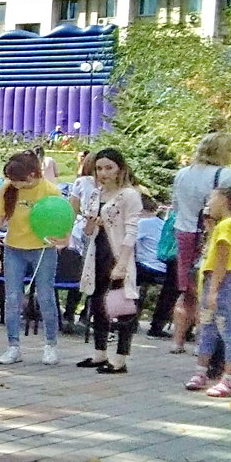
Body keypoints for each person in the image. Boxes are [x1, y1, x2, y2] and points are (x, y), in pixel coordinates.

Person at [0, 150, 67, 366]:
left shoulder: (50, 191)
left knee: (46, 296)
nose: (15, 184)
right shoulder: (8, 189)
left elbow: (61, 220)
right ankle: (13, 346)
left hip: (42, 249)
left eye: (19, 180)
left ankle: (50, 345)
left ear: (31, 175)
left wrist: (61, 238)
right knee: (11, 299)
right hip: (14, 249)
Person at [169, 132, 231, 355]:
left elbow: (174, 205)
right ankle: (203, 343)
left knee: (186, 290)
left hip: (183, 232)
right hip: (211, 234)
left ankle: (177, 341)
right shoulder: (225, 175)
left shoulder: (182, 174)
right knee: (209, 288)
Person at [75, 149, 142, 374]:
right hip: (97, 253)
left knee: (121, 305)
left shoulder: (129, 195)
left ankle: (120, 358)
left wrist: (122, 263)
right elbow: (88, 230)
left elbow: (131, 230)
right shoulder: (96, 193)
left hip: (117, 253)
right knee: (98, 302)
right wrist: (91, 224)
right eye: (99, 168)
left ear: (119, 169)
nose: (103, 173)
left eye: (108, 168)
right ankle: (99, 352)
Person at [184, 186, 231, 397]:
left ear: (224, 200)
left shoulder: (227, 226)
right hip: (228, 279)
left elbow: (222, 259)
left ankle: (228, 378)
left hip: (221, 280)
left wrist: (212, 291)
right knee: (208, 326)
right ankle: (201, 372)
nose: (209, 203)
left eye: (212, 198)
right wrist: (211, 228)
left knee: (223, 328)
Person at [61, 152, 97, 333]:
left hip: (80, 229)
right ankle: (85, 315)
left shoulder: (80, 183)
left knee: (77, 272)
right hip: (96, 229)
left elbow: (72, 209)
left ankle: (69, 314)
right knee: (94, 274)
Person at [136, 194, 178, 338]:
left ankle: (127, 317)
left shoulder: (143, 223)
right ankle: (156, 325)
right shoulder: (161, 223)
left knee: (129, 272)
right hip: (164, 268)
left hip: (148, 268)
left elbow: (129, 243)